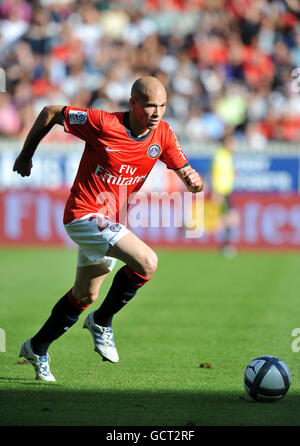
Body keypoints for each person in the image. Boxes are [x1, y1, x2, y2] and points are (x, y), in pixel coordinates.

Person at [13, 76, 203, 382]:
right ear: (133, 104)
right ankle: (102, 321)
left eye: (162, 106)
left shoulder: (164, 135)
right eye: (150, 105)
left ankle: (37, 347)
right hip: (83, 215)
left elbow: (187, 173)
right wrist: (26, 155)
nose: (156, 112)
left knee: (84, 294)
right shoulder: (102, 123)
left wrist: (194, 182)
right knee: (147, 262)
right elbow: (50, 112)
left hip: (110, 223)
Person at [211, 131, 239, 257]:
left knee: (230, 218)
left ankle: (226, 245)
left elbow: (225, 173)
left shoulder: (227, 156)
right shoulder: (221, 155)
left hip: (225, 191)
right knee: (229, 219)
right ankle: (190, 226)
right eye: (232, 143)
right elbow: (214, 173)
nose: (235, 146)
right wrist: (216, 192)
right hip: (220, 191)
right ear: (226, 143)